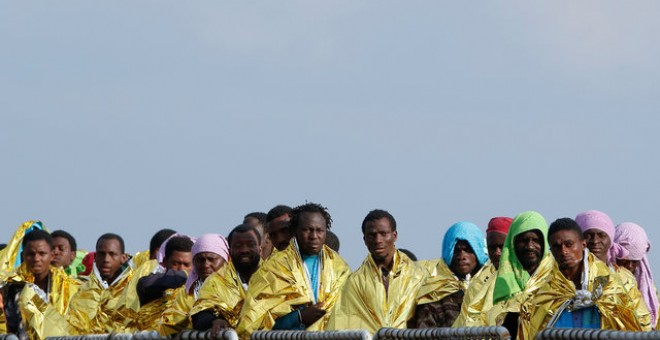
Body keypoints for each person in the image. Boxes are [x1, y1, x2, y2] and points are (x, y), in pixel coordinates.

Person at [237, 203, 351, 338]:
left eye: (319, 230)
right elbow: (253, 322)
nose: (314, 236)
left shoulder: (340, 267)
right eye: (307, 230)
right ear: (295, 231)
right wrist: (298, 317)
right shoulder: (273, 268)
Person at [519, 218, 643, 338]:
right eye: (557, 247)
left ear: (583, 244)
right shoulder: (544, 286)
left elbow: (625, 323)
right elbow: (531, 328)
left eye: (569, 244)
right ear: (551, 250)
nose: (564, 251)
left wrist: (595, 301)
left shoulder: (606, 280)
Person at [328, 209, 426, 333]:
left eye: (383, 233)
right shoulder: (354, 283)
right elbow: (338, 327)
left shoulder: (418, 276)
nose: (378, 240)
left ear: (394, 235)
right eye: (372, 235)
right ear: (365, 240)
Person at [576, 210, 651, 330]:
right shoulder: (568, 275)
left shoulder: (624, 278)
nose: (595, 241)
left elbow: (643, 321)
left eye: (602, 235)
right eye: (588, 235)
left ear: (610, 240)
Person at [1, 229, 80, 340]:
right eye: (31, 254)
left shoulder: (70, 288)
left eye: (42, 254)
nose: (36, 259)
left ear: (52, 255)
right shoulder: (11, 286)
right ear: (23, 256)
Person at [487, 212, 552, 337]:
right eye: (524, 240)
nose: (529, 246)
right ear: (513, 244)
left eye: (536, 240)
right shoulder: (503, 282)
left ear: (544, 242)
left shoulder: (556, 279)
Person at [411, 221, 488, 328]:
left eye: (468, 250)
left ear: (478, 251)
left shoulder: (490, 290)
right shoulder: (433, 296)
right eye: (456, 250)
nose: (462, 256)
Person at [191, 225, 262, 335]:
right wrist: (214, 321)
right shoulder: (216, 282)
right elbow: (201, 314)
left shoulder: (274, 275)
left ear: (260, 249)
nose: (244, 250)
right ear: (230, 252)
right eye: (238, 246)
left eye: (250, 244)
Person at [61, 233, 138, 334]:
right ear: (95, 257)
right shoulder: (83, 291)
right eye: (102, 254)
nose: (106, 259)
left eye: (112, 254)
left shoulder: (135, 290)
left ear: (123, 258)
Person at [159, 233, 230, 333]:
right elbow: (171, 324)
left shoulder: (236, 288)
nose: (206, 265)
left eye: (211, 259)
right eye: (200, 260)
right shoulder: (187, 293)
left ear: (226, 260)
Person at [454, 216, 513, 327]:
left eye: (503, 247)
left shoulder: (529, 280)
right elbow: (462, 325)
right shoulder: (478, 285)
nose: (497, 253)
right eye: (492, 248)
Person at [135, 235, 194, 335]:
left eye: (186, 264)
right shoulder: (151, 281)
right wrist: (184, 275)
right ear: (165, 261)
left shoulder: (199, 288)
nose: (181, 268)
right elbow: (145, 286)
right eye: (176, 263)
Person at [614, 222, 659, 328]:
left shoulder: (650, 291)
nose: (629, 266)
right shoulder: (603, 279)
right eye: (624, 261)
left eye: (634, 261)